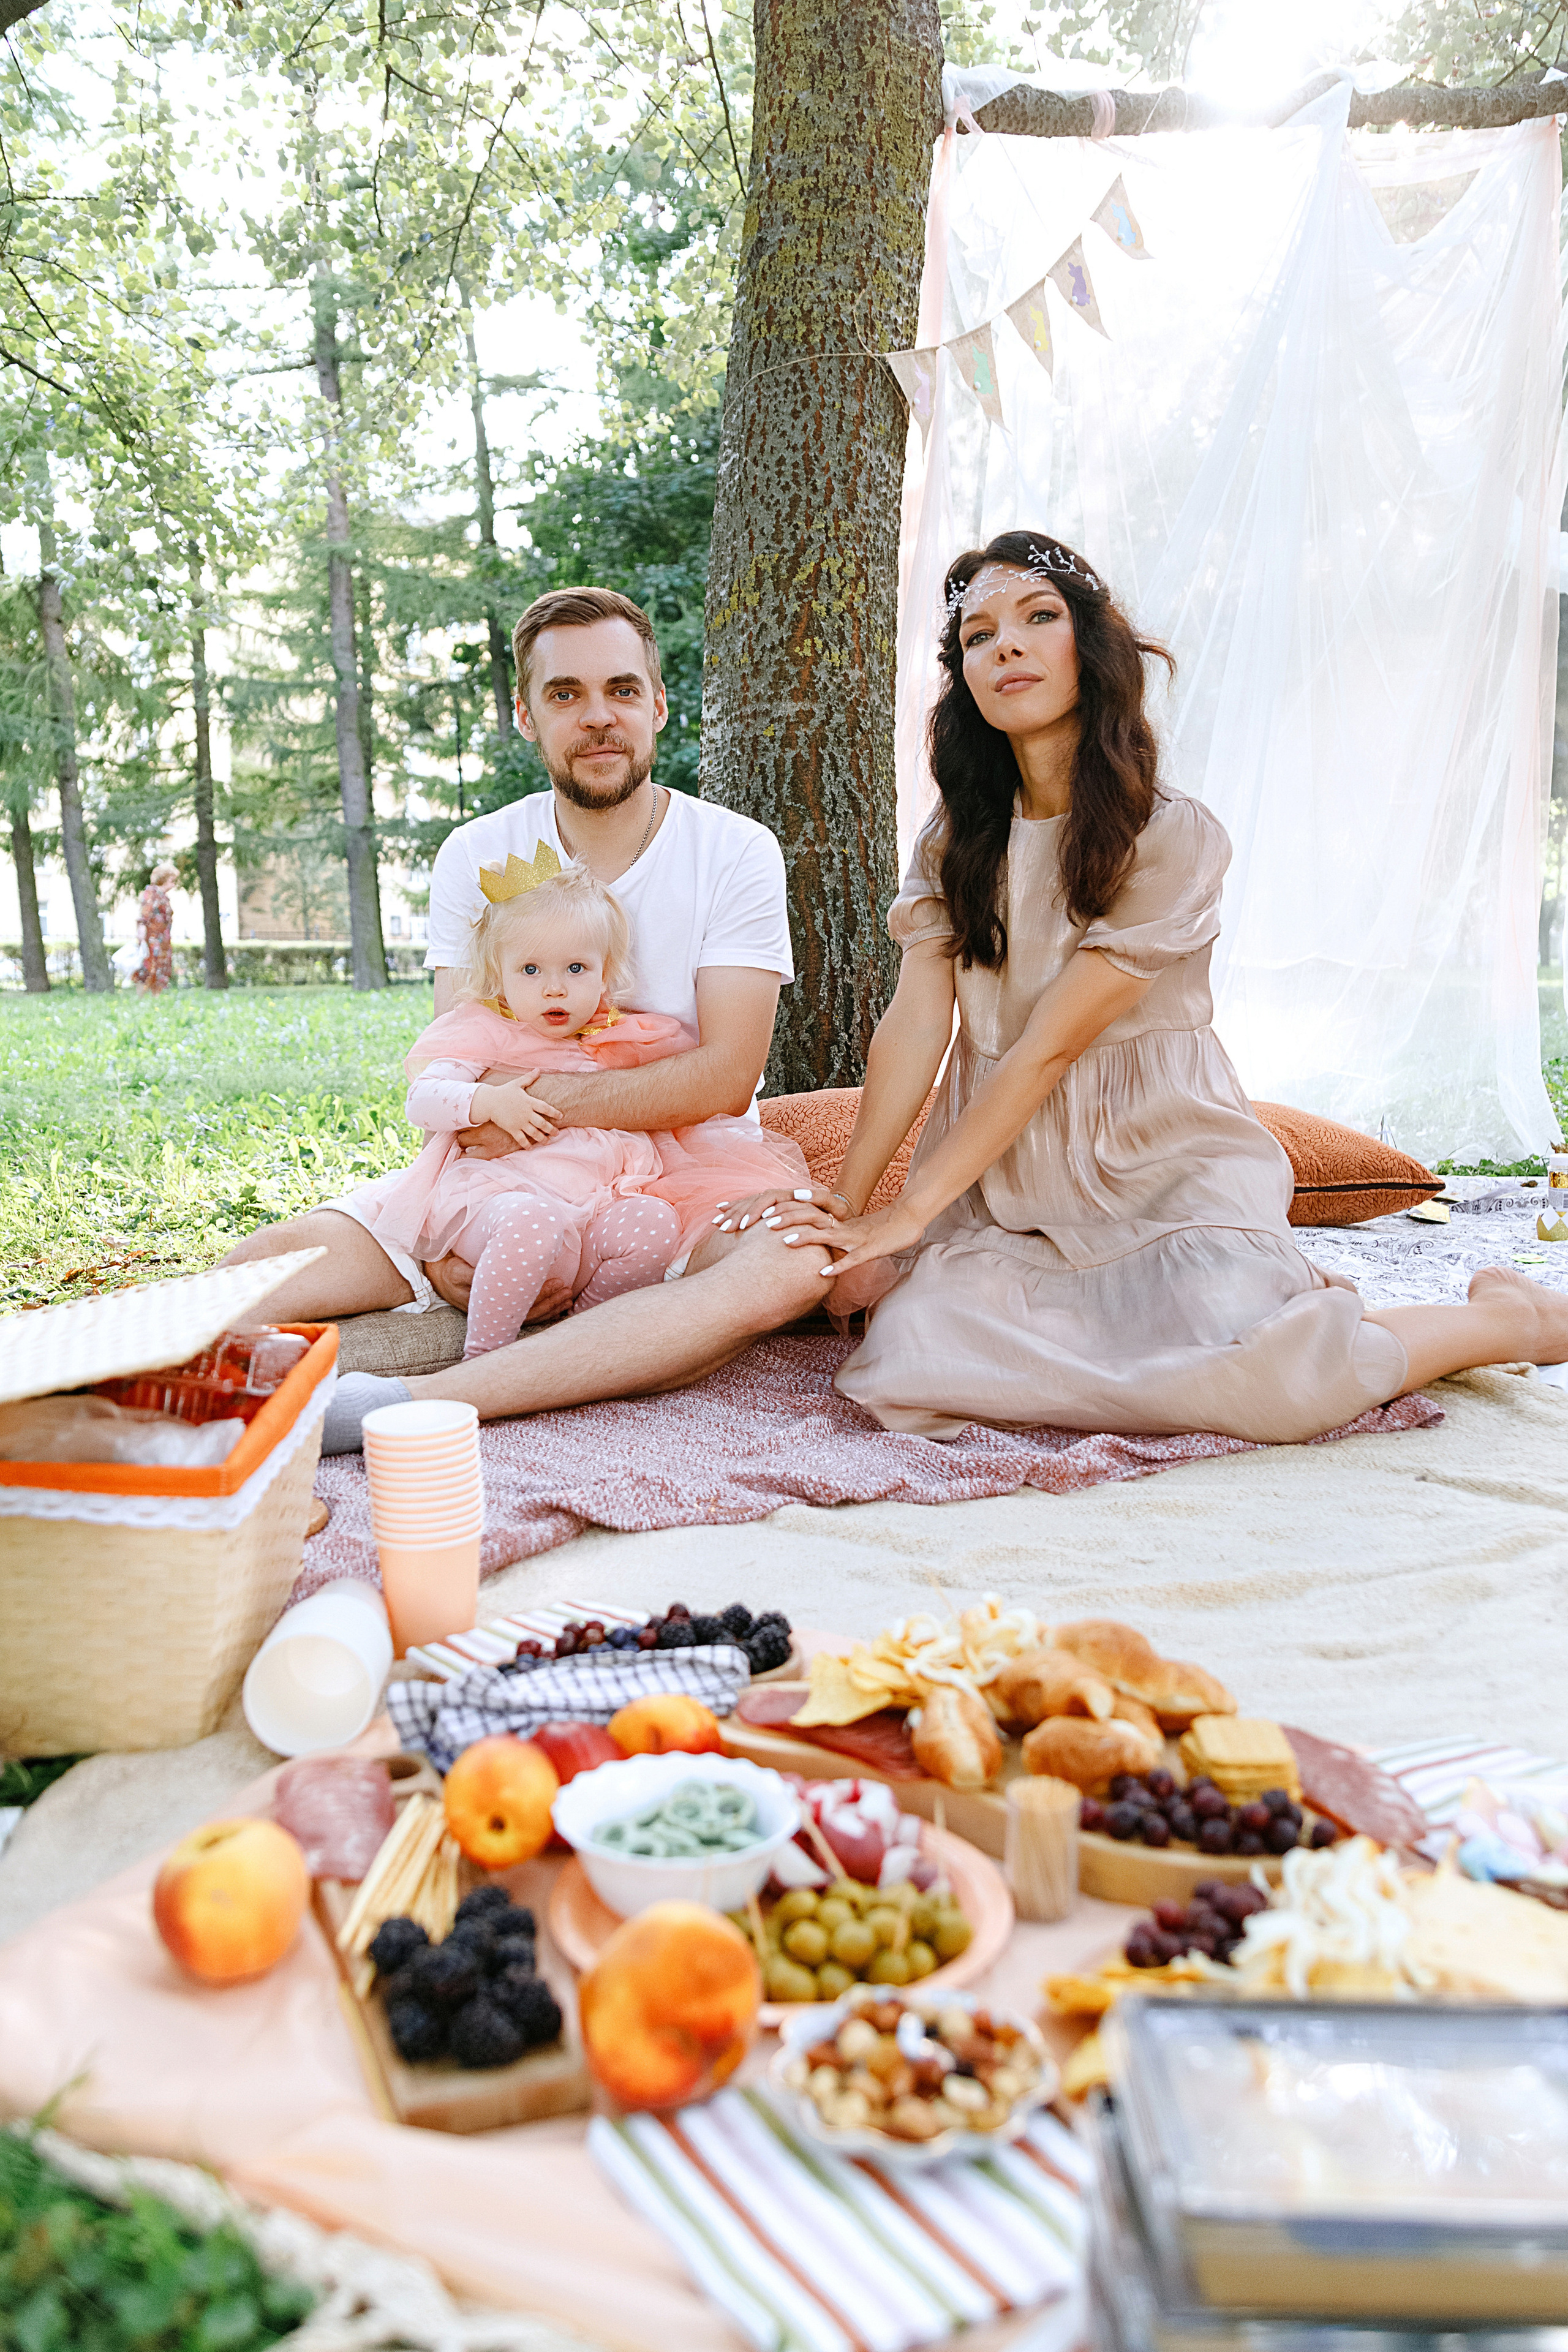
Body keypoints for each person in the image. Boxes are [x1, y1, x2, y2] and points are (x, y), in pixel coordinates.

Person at [728, 529, 1568, 1439]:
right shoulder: (955, 839)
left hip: (1166, 1166)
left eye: (1038, 618)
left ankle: (1506, 1321)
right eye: (978, 635)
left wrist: (911, 1213)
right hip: (1010, 1186)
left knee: (1273, 1384)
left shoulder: (1172, 836)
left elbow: (1049, 1048)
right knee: (908, 1363)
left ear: (1090, 647)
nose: (1006, 646)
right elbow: (916, 1026)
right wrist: (851, 1207)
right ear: (963, 675)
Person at [223, 585, 843, 1441]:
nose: (598, 717)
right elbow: (467, 1066)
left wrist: (537, 1096)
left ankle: (419, 1404)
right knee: (257, 1269)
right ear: (525, 715)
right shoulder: (478, 854)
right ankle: (559, 1333)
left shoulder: (735, 849)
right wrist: (464, 1225)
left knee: (797, 1264)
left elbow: (724, 1077)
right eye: (565, 694)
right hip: (512, 1173)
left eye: (621, 690)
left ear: (659, 705)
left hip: (682, 1172)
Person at [352, 851, 806, 1357]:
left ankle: (576, 1341)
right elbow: (422, 1100)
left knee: (654, 1224)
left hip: (593, 1208)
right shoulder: (486, 1030)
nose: (555, 988)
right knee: (531, 1221)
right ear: (499, 976)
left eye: (576, 968)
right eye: (530, 970)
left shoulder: (624, 1037)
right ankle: (485, 1358)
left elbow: (682, 1097)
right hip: (501, 1202)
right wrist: (489, 1101)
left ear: (603, 975)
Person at [134, 862, 178, 993]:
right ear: (164, 879)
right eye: (172, 881)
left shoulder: (163, 896)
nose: (174, 884)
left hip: (163, 940)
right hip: (153, 939)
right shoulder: (152, 893)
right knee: (148, 968)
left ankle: (156, 998)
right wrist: (142, 932)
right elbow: (145, 915)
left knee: (161, 970)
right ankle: (141, 997)